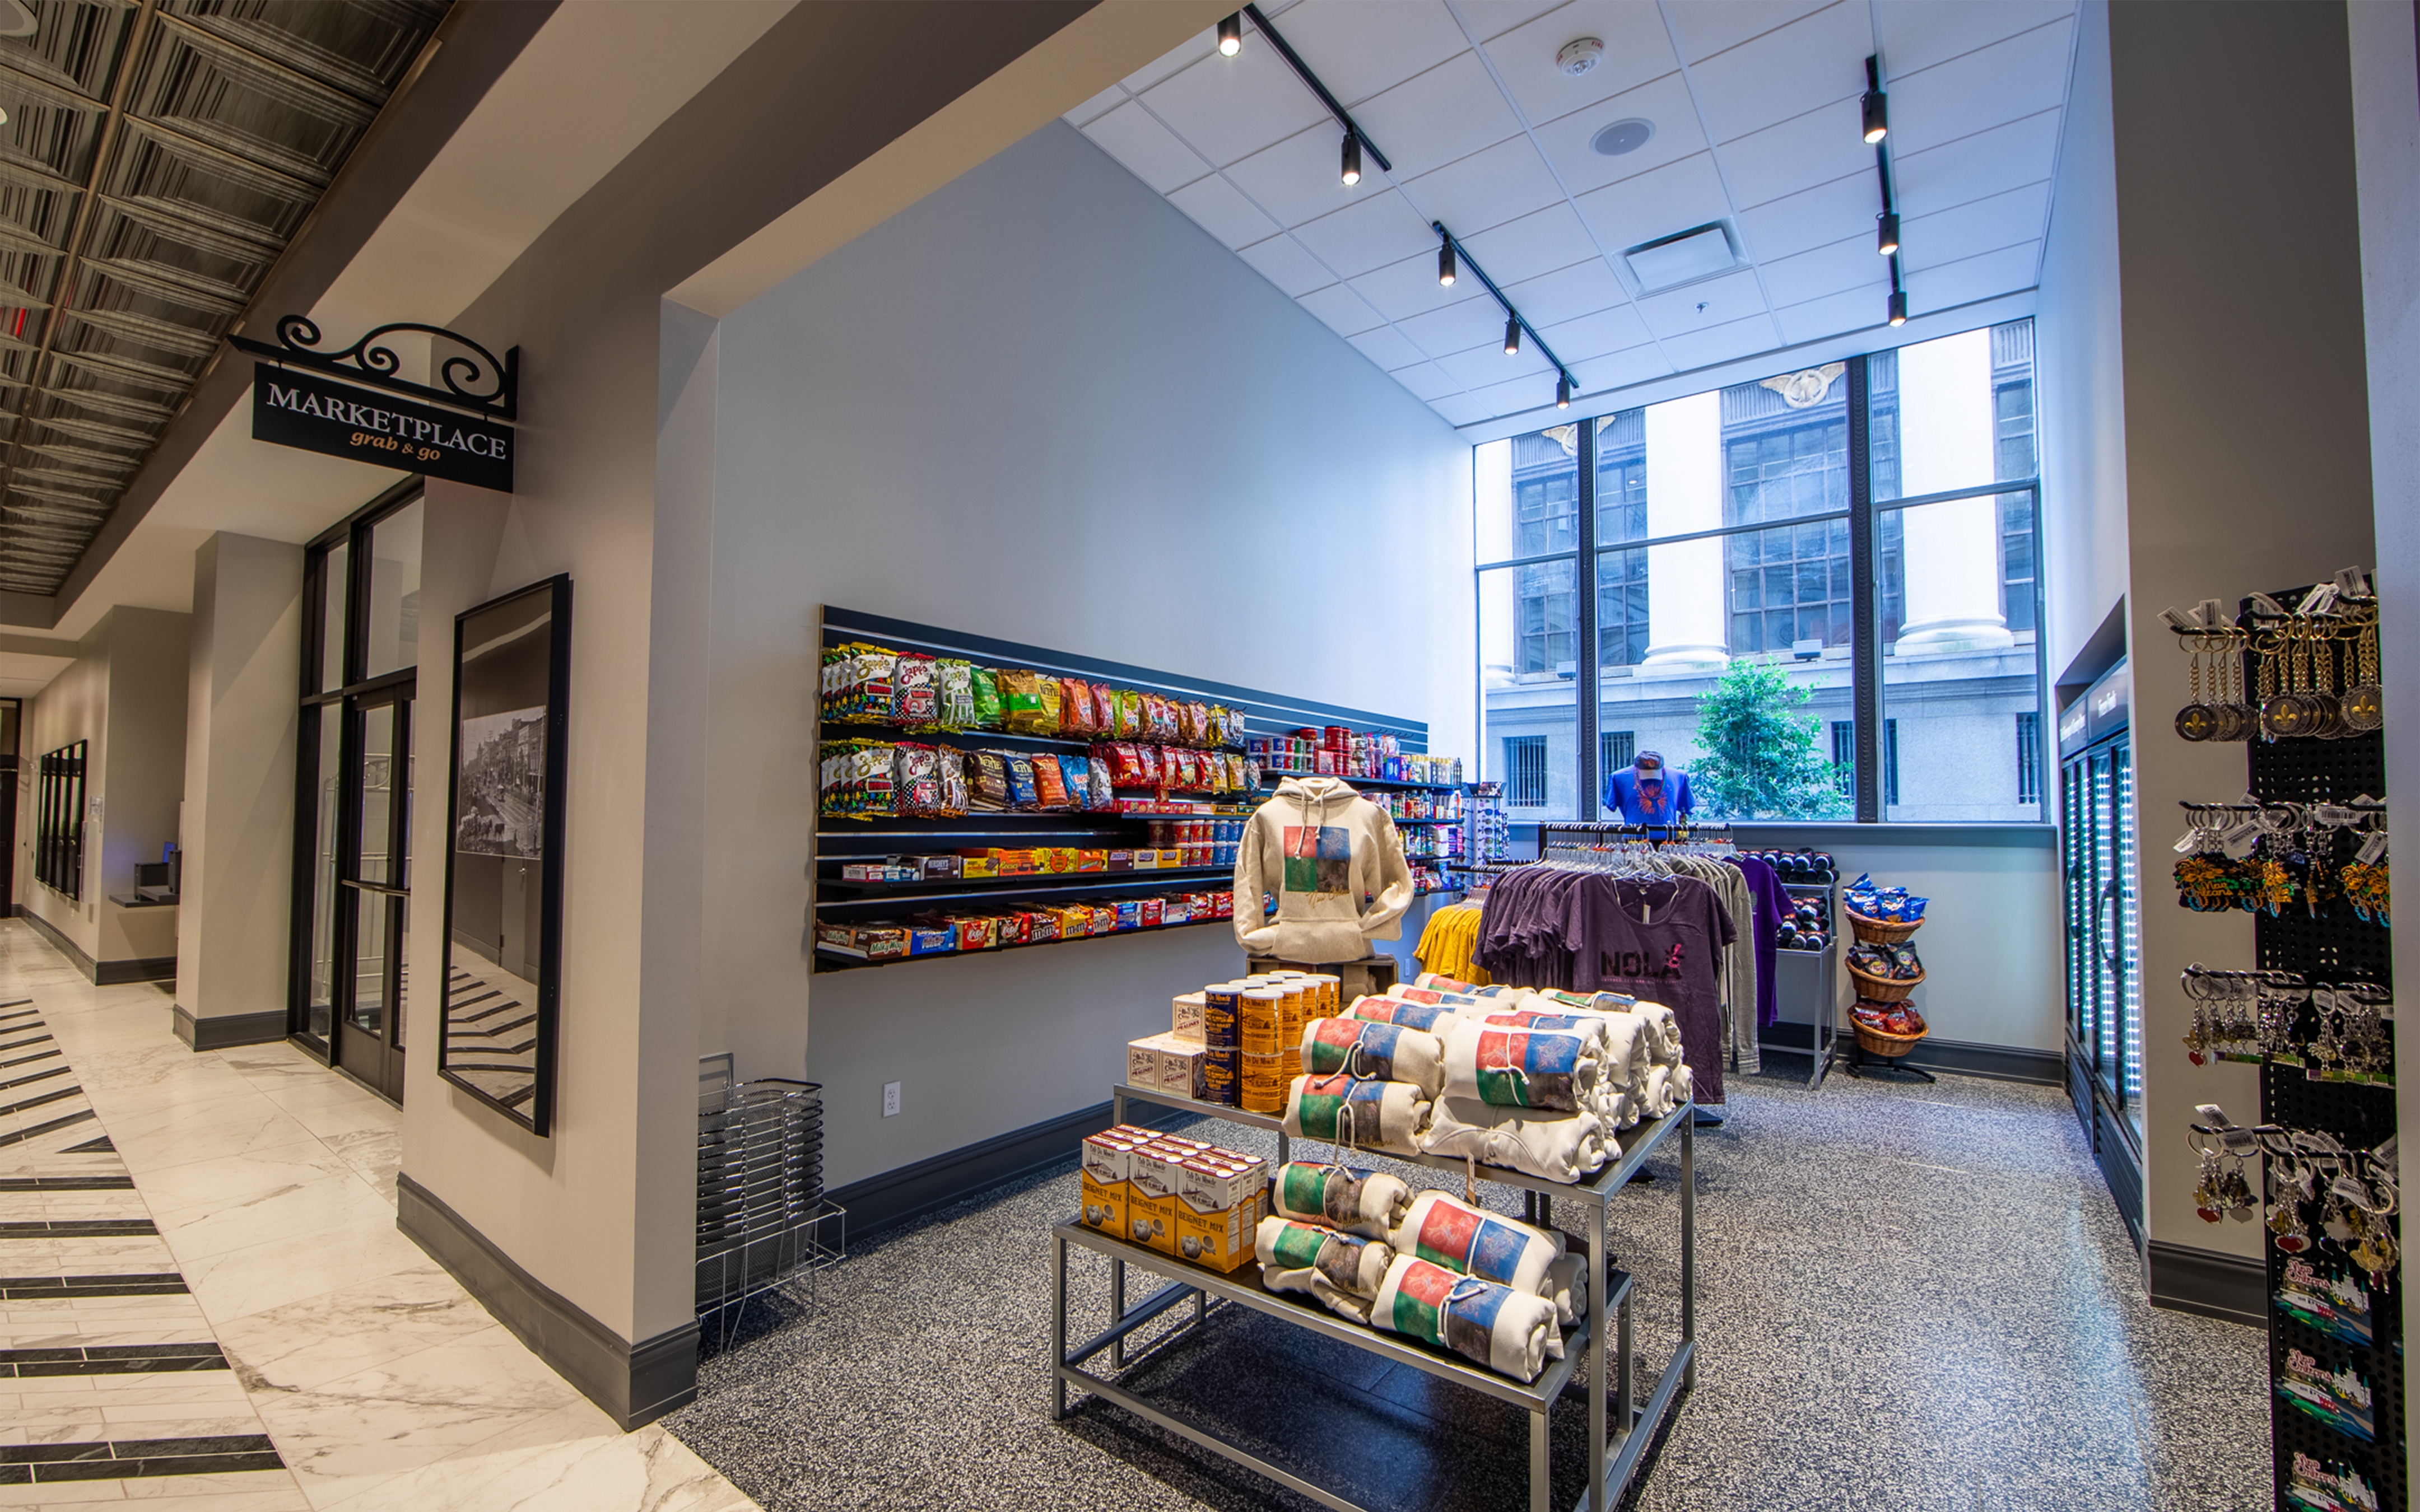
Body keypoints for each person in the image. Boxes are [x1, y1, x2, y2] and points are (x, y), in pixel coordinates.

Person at [1603, 750, 1692, 828]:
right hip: (1634, 839)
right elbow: (1611, 806)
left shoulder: (1680, 777)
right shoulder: (1618, 778)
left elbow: (1685, 810)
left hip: (1669, 840)